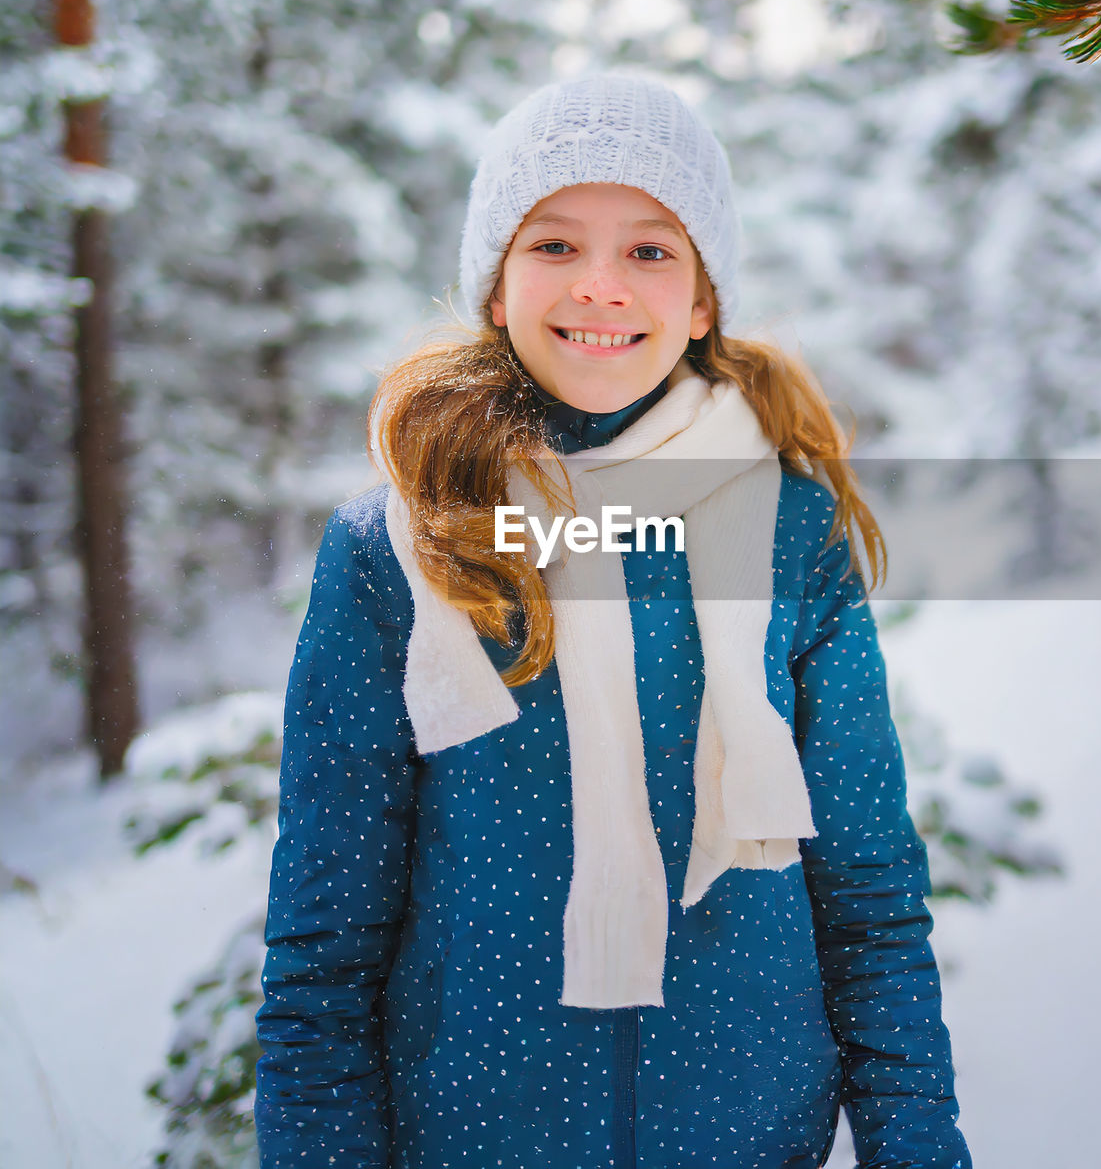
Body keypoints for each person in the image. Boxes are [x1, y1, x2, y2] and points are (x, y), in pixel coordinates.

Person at [255, 73, 972, 1169]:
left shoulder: (789, 534)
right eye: (552, 246)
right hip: (476, 1139)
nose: (599, 286)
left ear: (700, 301)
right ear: (494, 284)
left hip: (750, 1136)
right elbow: (324, 945)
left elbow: (869, 900)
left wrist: (916, 1146)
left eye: (648, 250)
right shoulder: (393, 550)